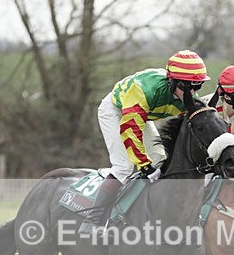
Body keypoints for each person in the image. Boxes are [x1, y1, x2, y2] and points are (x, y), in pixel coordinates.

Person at [78, 50, 211, 236]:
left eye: (198, 87)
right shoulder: (144, 91)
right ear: (174, 82)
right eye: (189, 87)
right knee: (124, 166)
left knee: (161, 160)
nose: (193, 93)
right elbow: (130, 130)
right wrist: (144, 166)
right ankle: (91, 221)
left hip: (143, 115)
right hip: (116, 110)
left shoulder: (185, 95)